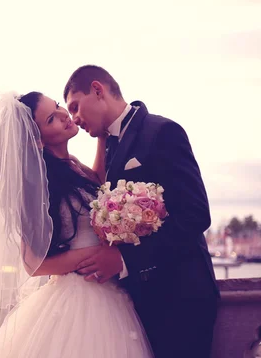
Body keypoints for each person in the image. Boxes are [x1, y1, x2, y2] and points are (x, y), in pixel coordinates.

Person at [0, 91, 153, 358]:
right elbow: (34, 263)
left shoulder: (70, 165)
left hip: (105, 289)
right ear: (37, 140)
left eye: (59, 106)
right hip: (80, 296)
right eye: (52, 118)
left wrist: (101, 135)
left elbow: (97, 181)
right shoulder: (42, 185)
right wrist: (95, 254)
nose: (64, 116)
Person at [64, 65, 219, 358]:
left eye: (75, 106)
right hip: (140, 303)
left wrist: (125, 259)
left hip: (182, 300)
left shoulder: (161, 131)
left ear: (97, 89)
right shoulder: (108, 146)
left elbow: (196, 214)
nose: (74, 118)